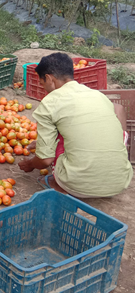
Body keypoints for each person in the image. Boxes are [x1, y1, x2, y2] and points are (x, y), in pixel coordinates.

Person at [18, 52, 132, 198]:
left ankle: (58, 185)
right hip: (120, 183)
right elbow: (119, 109)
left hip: (77, 186)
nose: (44, 89)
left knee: (57, 142)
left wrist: (30, 164)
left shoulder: (50, 103)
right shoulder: (97, 95)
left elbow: (45, 160)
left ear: (48, 78)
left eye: (42, 84)